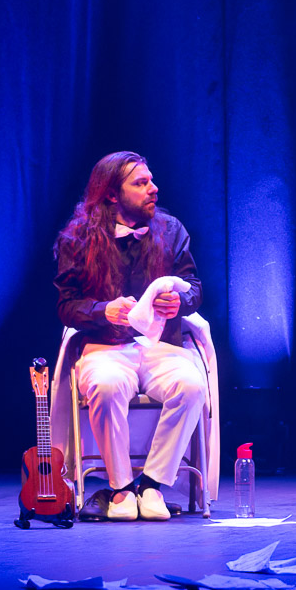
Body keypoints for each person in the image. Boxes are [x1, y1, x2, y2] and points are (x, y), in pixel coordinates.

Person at [54, 152, 206, 521]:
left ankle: (152, 485)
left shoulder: (170, 230)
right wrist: (101, 310)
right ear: (111, 195)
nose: (153, 189)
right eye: (140, 183)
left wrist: (180, 300)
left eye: (151, 181)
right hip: (106, 346)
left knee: (191, 385)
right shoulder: (78, 238)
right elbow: (66, 305)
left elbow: (196, 288)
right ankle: (120, 489)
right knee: (105, 386)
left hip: (161, 346)